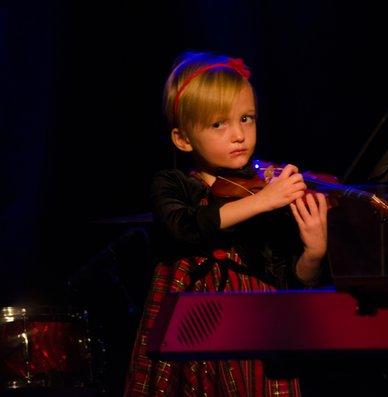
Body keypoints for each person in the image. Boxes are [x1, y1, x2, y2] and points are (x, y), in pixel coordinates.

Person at [123, 51, 328, 396]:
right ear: (183, 139)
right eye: (219, 124)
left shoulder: (266, 190)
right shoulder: (173, 184)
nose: (239, 135)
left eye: (247, 118)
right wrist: (260, 201)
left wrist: (313, 254)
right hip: (188, 324)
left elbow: (288, 281)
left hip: (255, 328)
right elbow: (184, 226)